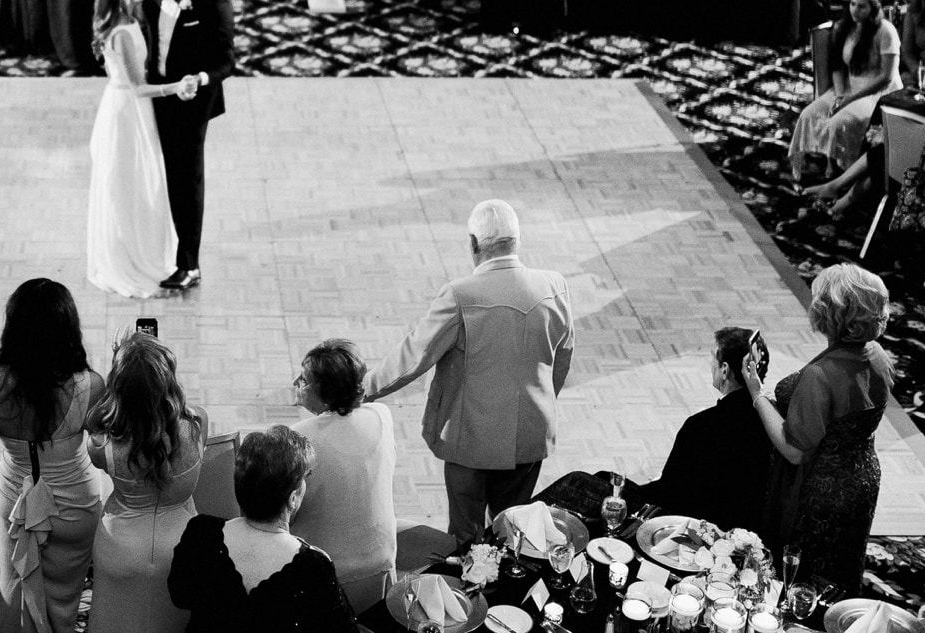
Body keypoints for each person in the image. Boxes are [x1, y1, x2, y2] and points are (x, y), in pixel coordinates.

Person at [364, 199, 574, 542]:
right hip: (530, 438)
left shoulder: (460, 295)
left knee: (465, 536)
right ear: (517, 242)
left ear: (474, 245)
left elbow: (412, 357)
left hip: (470, 443)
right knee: (515, 532)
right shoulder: (555, 286)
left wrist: (359, 389)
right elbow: (561, 361)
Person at [741, 263, 894, 593]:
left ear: (831, 313)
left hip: (819, 491)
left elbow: (794, 450)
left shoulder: (820, 377)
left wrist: (757, 395)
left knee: (802, 572)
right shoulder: (879, 355)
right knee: (840, 565)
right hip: (862, 478)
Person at [0, 278, 106, 633]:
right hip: (75, 507)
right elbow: (103, 445)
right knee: (66, 598)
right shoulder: (91, 385)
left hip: (15, 500)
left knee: (13, 592)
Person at [166, 426, 360, 633]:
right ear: (292, 498)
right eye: (305, 477)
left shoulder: (201, 533)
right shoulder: (314, 566)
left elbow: (180, 596)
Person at [87, 331, 208, 633]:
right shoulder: (197, 425)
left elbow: (105, 422)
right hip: (184, 549)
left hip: (120, 550)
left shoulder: (102, 444)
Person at [88, 0, 196, 299]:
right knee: (129, 182)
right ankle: (129, 254)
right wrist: (175, 88)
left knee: (144, 178)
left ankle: (146, 244)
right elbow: (137, 87)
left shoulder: (131, 22)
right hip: (127, 112)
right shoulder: (121, 33)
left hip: (137, 112)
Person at [142, 0, 236, 292]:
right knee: (163, 177)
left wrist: (201, 78)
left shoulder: (212, 2)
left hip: (193, 105)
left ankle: (189, 265)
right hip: (158, 98)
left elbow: (227, 61)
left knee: (187, 182)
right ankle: (162, 251)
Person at [804, 34, 925, 214]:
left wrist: (885, 137)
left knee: (883, 154)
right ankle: (838, 199)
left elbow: (924, 143)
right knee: (884, 153)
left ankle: (836, 194)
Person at [625, 328, 773, 533]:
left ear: (725, 370)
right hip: (745, 527)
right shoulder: (772, 423)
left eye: (714, 358)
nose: (710, 363)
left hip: (692, 529)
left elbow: (669, 494)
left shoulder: (700, 427)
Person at [289, 340, 397, 612]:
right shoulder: (381, 415)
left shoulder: (299, 437)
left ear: (325, 390)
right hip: (382, 561)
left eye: (303, 380)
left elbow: (285, 512)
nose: (295, 383)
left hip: (327, 571)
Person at [788, 0, 899, 181]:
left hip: (878, 92)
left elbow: (887, 77)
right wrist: (840, 96)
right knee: (808, 114)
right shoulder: (845, 27)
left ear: (873, 8)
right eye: (853, 4)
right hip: (849, 87)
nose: (855, 10)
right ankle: (809, 161)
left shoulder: (886, 31)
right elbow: (837, 66)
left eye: (862, 6)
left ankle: (840, 170)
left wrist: (849, 100)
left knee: (839, 123)